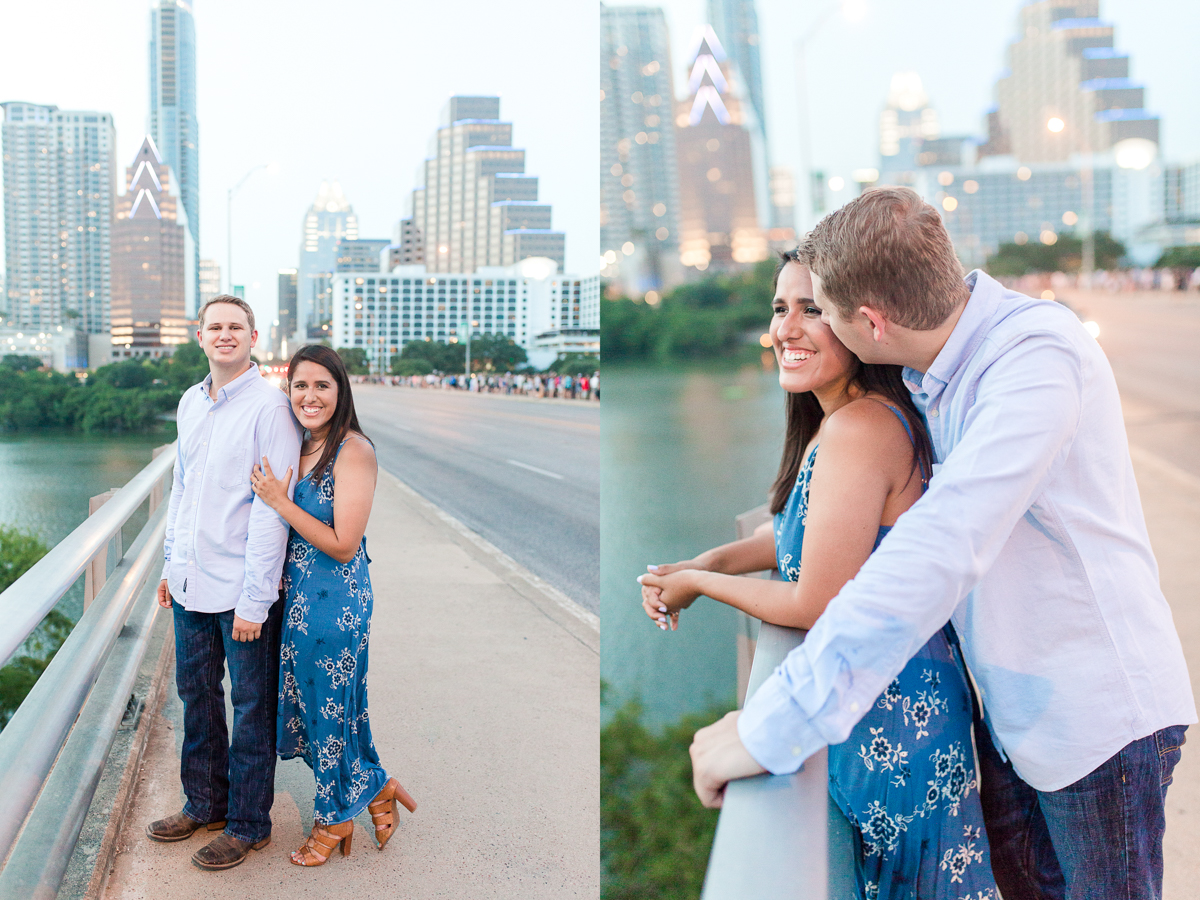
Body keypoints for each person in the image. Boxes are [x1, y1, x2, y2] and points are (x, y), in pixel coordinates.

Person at [689, 187, 1195, 900]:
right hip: (1013, 715)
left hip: (1097, 725)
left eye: (822, 310)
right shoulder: (933, 373)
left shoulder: (1033, 361)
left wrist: (773, 724)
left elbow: (945, 539)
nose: (801, 326)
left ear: (871, 321)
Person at [639, 251, 998, 898]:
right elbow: (802, 532)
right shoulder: (840, 419)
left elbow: (814, 602)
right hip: (873, 701)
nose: (787, 327)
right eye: (780, 308)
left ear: (862, 325)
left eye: (814, 310)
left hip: (896, 714)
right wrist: (711, 559)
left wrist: (699, 585)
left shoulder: (863, 427)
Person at [146, 294, 301, 871]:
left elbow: (272, 510)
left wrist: (257, 598)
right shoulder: (191, 402)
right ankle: (205, 803)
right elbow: (182, 489)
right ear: (200, 336)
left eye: (237, 326)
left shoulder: (270, 409)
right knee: (197, 697)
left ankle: (247, 823)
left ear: (254, 337)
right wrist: (169, 564)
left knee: (252, 704)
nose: (225, 335)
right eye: (216, 326)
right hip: (190, 582)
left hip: (241, 590)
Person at [250, 344, 417, 867]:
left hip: (336, 602)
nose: (310, 395)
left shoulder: (353, 450)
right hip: (298, 598)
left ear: (341, 391)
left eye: (322, 385)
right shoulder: (297, 446)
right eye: (300, 385)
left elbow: (345, 542)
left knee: (328, 711)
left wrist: (280, 501)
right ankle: (377, 786)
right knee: (332, 710)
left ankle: (334, 816)